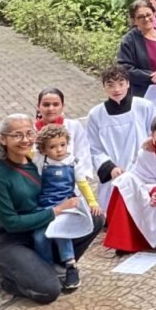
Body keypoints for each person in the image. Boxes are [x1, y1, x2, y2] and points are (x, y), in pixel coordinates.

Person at [0, 114, 104, 303]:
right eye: (17, 135)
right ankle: (8, 279)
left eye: (29, 133)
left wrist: (80, 203)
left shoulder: (38, 161)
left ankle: (57, 265)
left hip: (42, 228)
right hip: (8, 239)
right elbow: (11, 223)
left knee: (94, 219)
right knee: (49, 291)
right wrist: (56, 211)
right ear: (4, 139)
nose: (25, 140)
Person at [104, 113, 156, 253]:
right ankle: (125, 241)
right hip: (151, 194)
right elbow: (138, 176)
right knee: (125, 180)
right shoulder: (145, 153)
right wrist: (154, 190)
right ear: (152, 135)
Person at [31, 124, 101, 290]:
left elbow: (82, 183)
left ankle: (71, 266)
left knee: (62, 231)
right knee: (40, 237)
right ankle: (48, 268)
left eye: (62, 145)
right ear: (44, 149)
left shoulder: (73, 162)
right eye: (52, 147)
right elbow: (25, 152)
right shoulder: (41, 161)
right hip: (45, 207)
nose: (59, 150)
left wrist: (92, 202)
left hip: (66, 205)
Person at [86, 64, 156, 211]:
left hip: (142, 170)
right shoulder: (96, 114)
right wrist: (110, 168)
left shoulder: (144, 106)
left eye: (121, 84)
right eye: (110, 85)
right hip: (114, 174)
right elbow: (94, 148)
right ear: (104, 87)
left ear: (128, 83)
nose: (116, 89)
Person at [34, 87, 93, 187]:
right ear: (38, 107)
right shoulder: (32, 131)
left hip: (71, 186)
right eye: (46, 104)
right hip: (42, 188)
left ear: (63, 106)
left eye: (56, 104)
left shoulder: (74, 126)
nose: (51, 108)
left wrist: (78, 182)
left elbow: (83, 154)